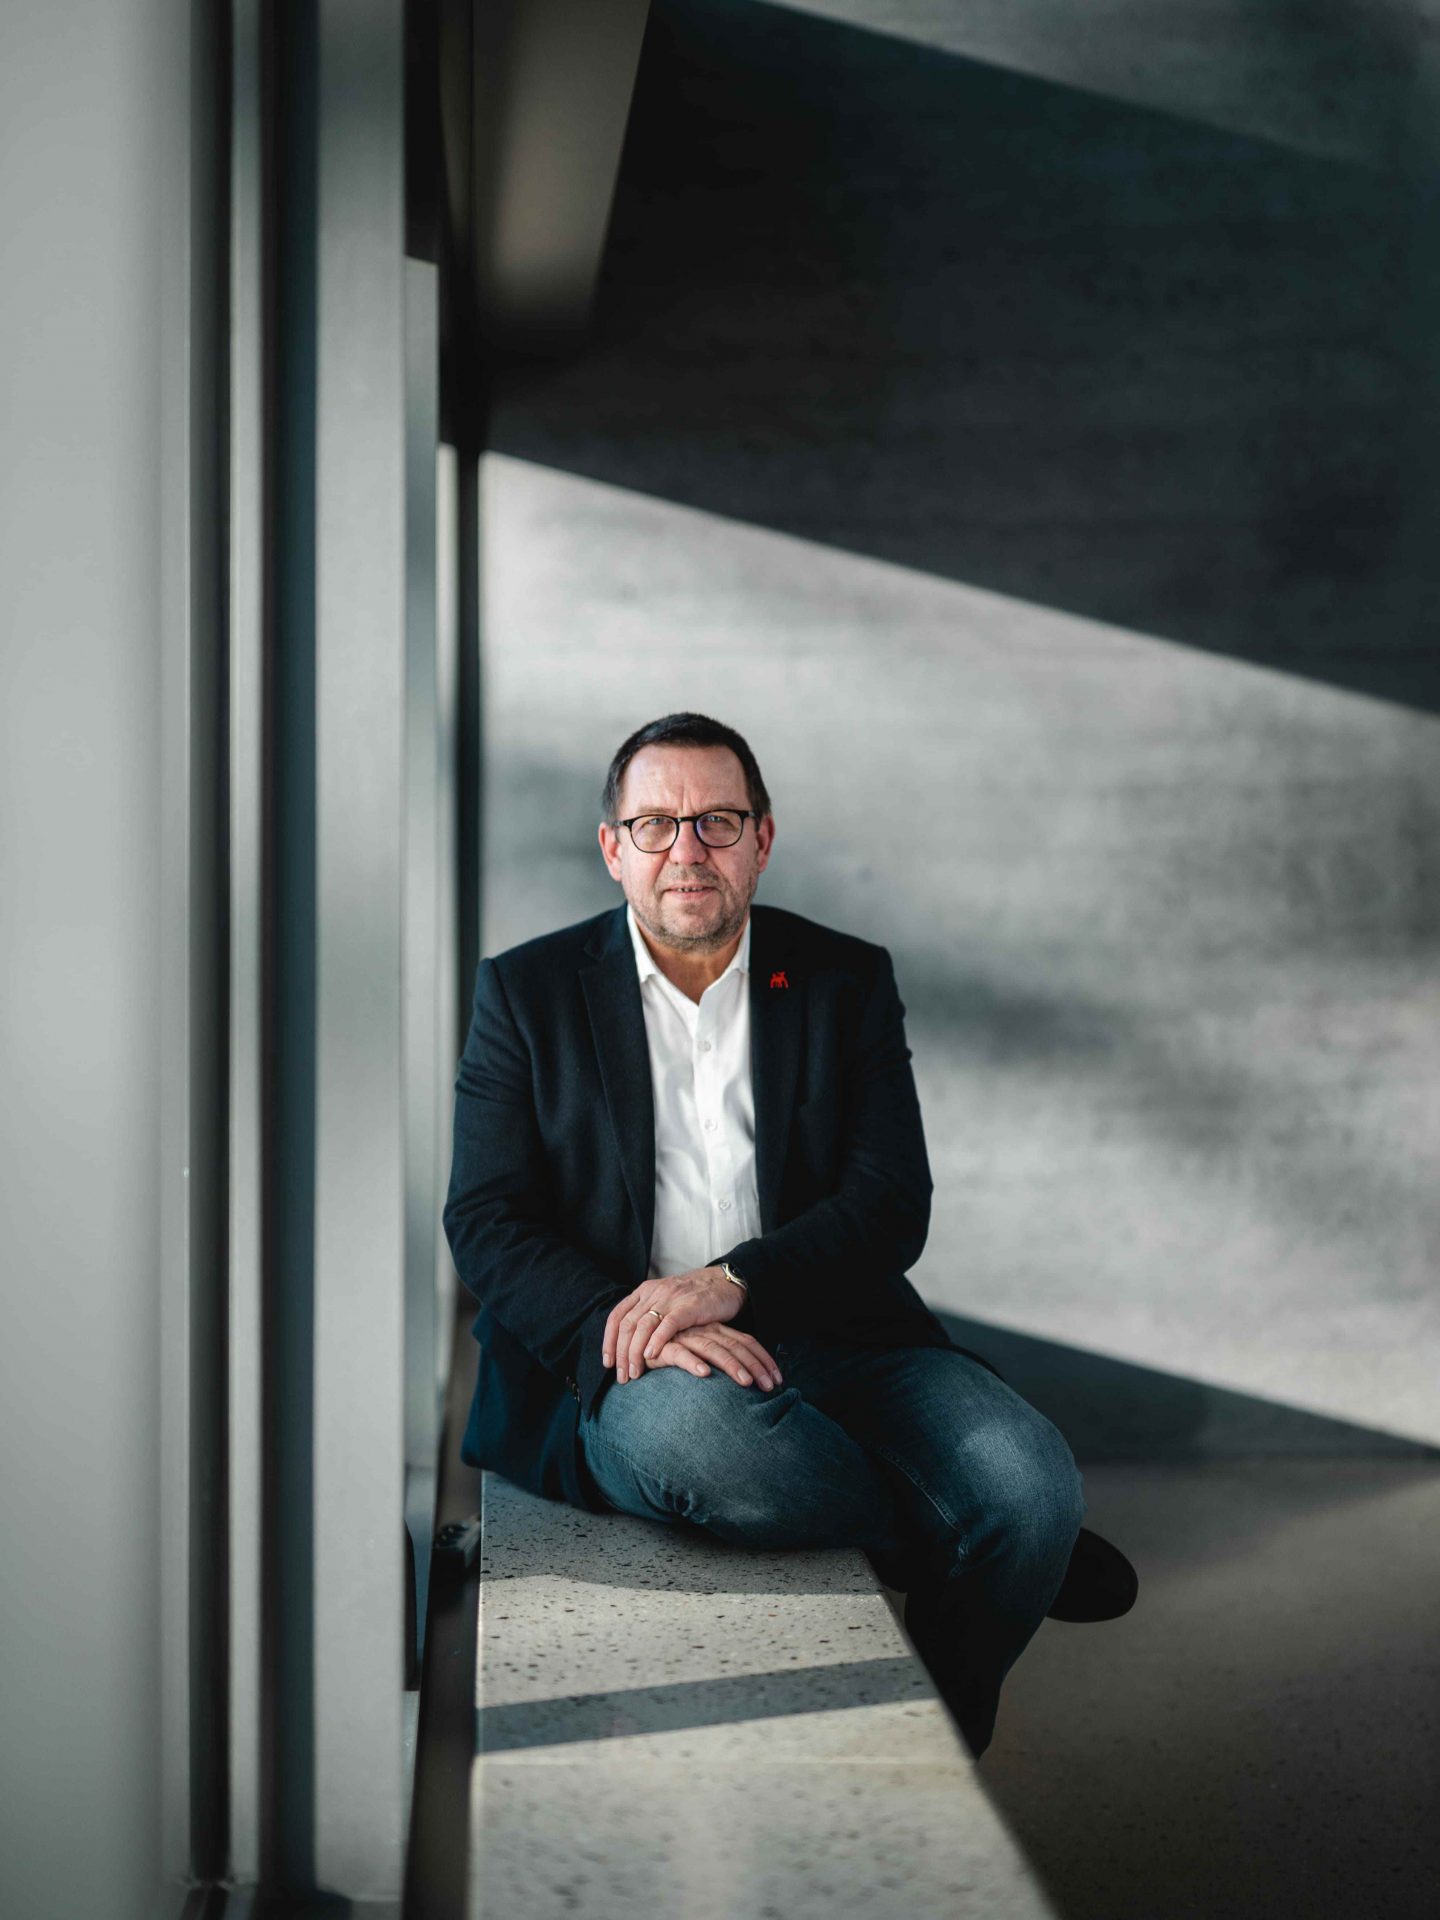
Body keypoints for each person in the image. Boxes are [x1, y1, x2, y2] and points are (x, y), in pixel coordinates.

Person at [443, 711, 1133, 1757]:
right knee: (718, 1451)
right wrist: (630, 1323)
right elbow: (487, 1215)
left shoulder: (842, 979)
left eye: (717, 821)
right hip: (631, 1361)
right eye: (656, 824)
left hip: (830, 1326)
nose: (687, 849)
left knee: (1033, 1483)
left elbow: (890, 1200)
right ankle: (949, 1534)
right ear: (614, 849)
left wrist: (732, 1282)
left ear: (761, 840)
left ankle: (930, 1748)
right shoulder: (526, 992)